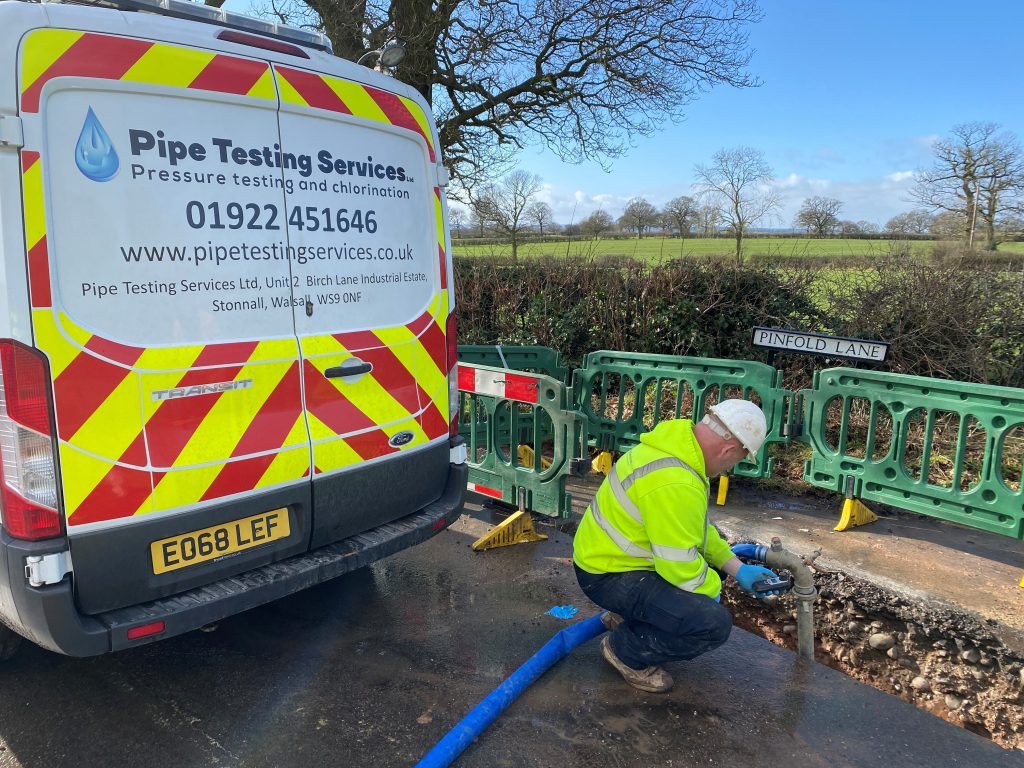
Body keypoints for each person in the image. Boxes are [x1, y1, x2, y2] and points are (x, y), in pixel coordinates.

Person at [573, 399, 781, 693]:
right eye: (735, 462)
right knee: (711, 624)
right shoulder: (676, 481)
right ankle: (624, 650)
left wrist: (737, 568)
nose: (728, 469)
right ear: (728, 450)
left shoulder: (673, 448)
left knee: (709, 578)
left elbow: (695, 530)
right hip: (608, 576)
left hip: (609, 559)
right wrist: (712, 597)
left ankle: (630, 616)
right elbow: (681, 571)